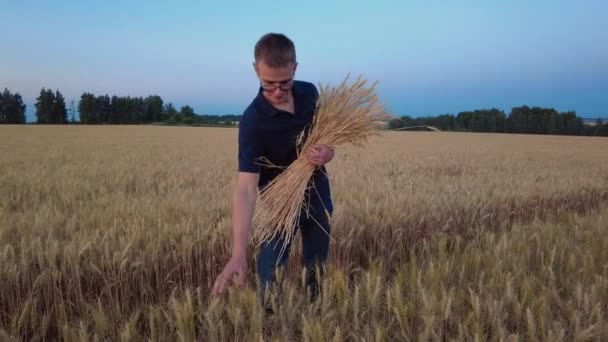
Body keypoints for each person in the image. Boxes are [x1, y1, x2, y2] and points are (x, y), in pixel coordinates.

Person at [211, 33, 335, 302]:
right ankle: (271, 320)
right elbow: (245, 188)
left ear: (295, 68)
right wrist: (238, 253)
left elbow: (327, 139)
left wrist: (328, 152)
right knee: (271, 272)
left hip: (316, 195)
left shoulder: (310, 93)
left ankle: (315, 316)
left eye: (285, 83)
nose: (277, 91)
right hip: (279, 204)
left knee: (317, 270)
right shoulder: (253, 121)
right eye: (268, 84)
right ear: (256, 70)